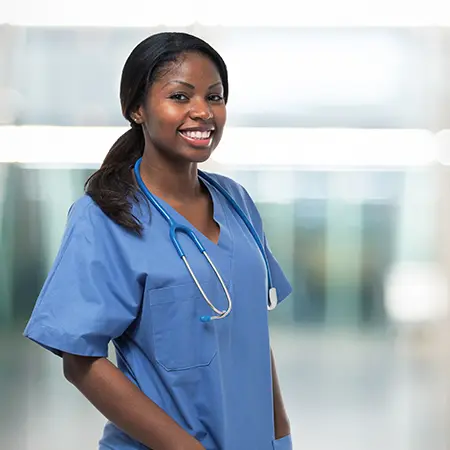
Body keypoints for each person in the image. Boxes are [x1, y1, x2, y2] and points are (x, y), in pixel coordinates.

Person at [23, 31, 293, 450]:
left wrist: (281, 437)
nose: (203, 112)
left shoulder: (235, 201)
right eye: (180, 97)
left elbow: (252, 335)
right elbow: (80, 360)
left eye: (215, 97)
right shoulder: (105, 216)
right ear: (137, 109)